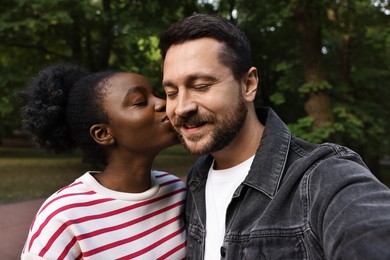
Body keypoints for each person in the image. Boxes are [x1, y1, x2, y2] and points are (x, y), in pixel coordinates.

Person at [159, 13, 390, 259]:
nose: (181, 107)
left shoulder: (323, 177)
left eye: (201, 86)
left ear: (248, 85)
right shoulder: (197, 178)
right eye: (171, 92)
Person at [20, 64, 186, 259]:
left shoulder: (177, 190)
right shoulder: (63, 216)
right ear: (103, 133)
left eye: (157, 94)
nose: (162, 103)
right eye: (140, 102)